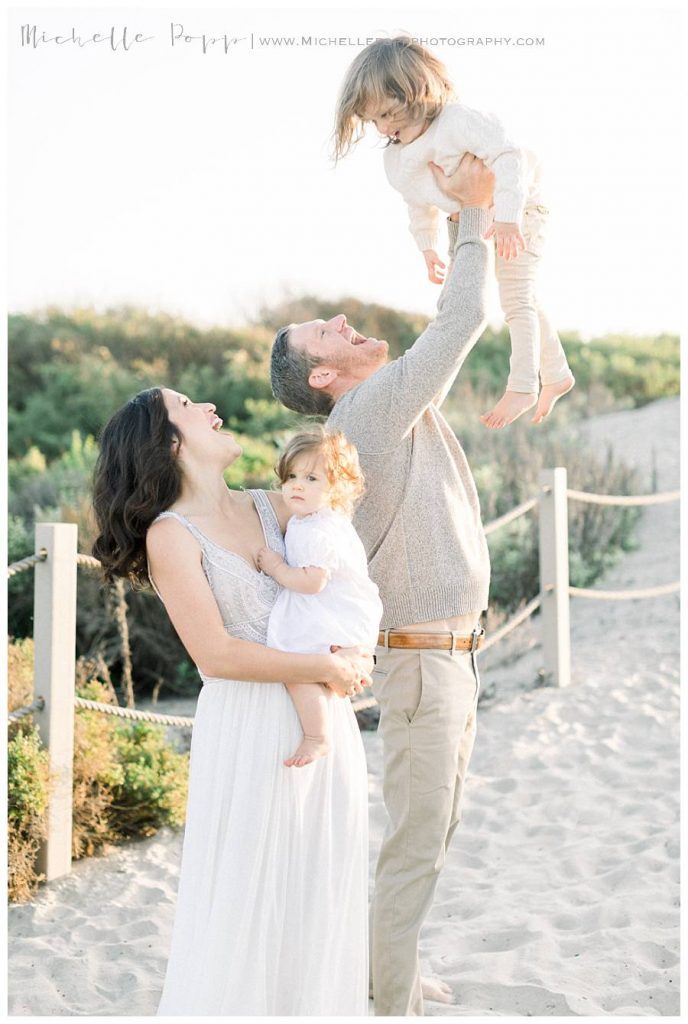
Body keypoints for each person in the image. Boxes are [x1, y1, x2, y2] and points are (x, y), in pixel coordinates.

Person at [270, 153, 493, 1016]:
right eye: (323, 334)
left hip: (452, 659)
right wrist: (474, 213)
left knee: (430, 834)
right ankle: (386, 1002)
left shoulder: (384, 411)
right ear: (325, 379)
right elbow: (464, 316)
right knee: (415, 846)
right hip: (422, 665)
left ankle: (384, 969)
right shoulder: (363, 413)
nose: (340, 319)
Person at [91, 386, 372, 1016]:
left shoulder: (278, 505)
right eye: (189, 406)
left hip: (323, 716)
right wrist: (322, 664)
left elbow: (340, 578)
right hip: (249, 728)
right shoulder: (172, 535)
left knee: (318, 892)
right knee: (249, 895)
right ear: (169, 442)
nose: (212, 408)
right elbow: (215, 655)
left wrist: (357, 652)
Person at [333, 35, 574, 429]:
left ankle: (524, 385)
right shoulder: (397, 156)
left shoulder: (457, 122)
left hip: (522, 208)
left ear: (417, 96)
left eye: (390, 116)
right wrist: (427, 247)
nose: (384, 129)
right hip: (485, 217)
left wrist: (510, 215)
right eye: (374, 120)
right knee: (522, 294)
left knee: (515, 297)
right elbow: (416, 203)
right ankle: (558, 372)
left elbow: (509, 155)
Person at [257, 427, 383, 768]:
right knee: (318, 674)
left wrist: (276, 567)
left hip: (331, 614)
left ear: (338, 488)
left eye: (312, 478)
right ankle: (323, 730)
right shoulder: (320, 519)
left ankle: (317, 735)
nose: (297, 485)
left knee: (297, 667)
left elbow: (312, 582)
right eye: (291, 476)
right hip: (346, 613)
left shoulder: (316, 529)